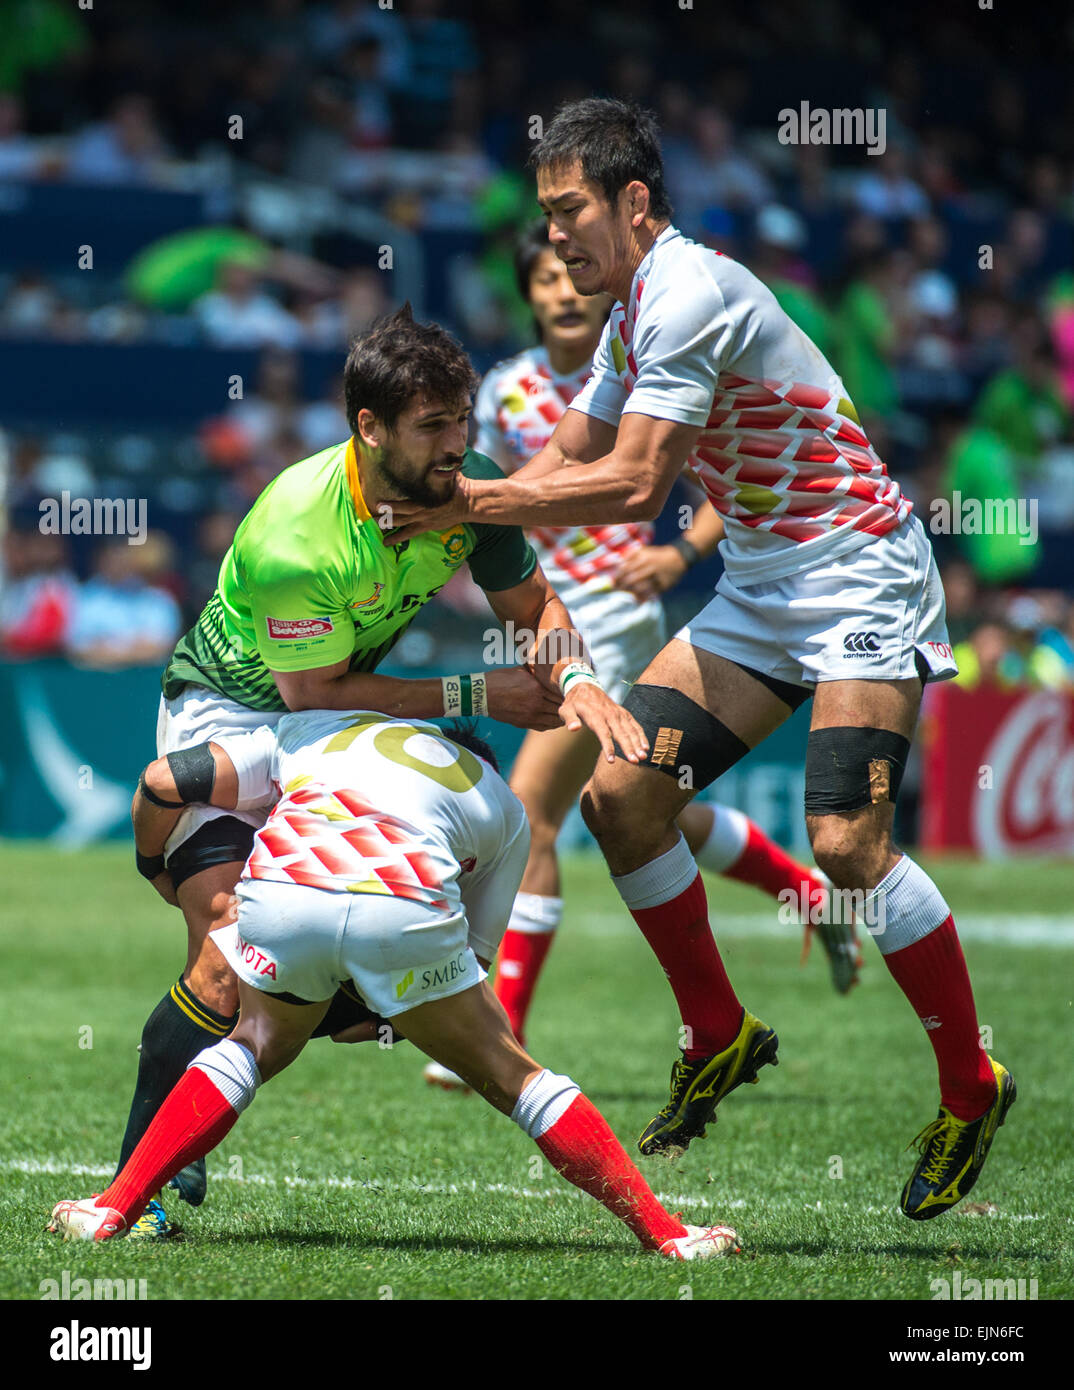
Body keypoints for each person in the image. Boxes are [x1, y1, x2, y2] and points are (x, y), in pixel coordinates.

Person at [383, 99, 1015, 1222]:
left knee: (848, 843)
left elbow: (634, 482)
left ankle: (972, 1087)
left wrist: (471, 499)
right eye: (543, 216)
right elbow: (577, 445)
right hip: (766, 588)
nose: (555, 237)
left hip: (861, 566)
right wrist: (469, 489)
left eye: (570, 211)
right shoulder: (631, 309)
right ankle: (719, 1030)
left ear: (634, 202)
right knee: (624, 800)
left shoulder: (689, 292)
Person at [117, 303, 646, 1237]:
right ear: (369, 428)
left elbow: (536, 600)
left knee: (315, 972)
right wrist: (477, 695)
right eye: (433, 426)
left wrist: (572, 678)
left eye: (463, 421)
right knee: (222, 963)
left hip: (332, 715)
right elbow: (314, 691)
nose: (458, 446)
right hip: (233, 711)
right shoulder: (297, 536)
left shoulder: (465, 491)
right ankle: (139, 1183)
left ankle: (349, 1012)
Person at [49, 712, 738, 1262]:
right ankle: (667, 1234)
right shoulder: (503, 804)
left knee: (251, 1042)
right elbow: (470, 955)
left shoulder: (320, 727)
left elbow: (175, 778)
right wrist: (382, 1019)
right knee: (512, 1074)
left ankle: (111, 1207)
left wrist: (160, 873)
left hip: (287, 887)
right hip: (403, 906)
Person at [424, 224, 857, 1090]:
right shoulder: (508, 392)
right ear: (530, 295)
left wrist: (679, 555)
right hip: (543, 617)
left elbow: (712, 476)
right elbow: (493, 495)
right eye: (540, 278)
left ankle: (500, 1033)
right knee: (643, 801)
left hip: (614, 616)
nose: (559, 289)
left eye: (566, 272)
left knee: (536, 813)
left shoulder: (650, 350)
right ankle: (807, 892)